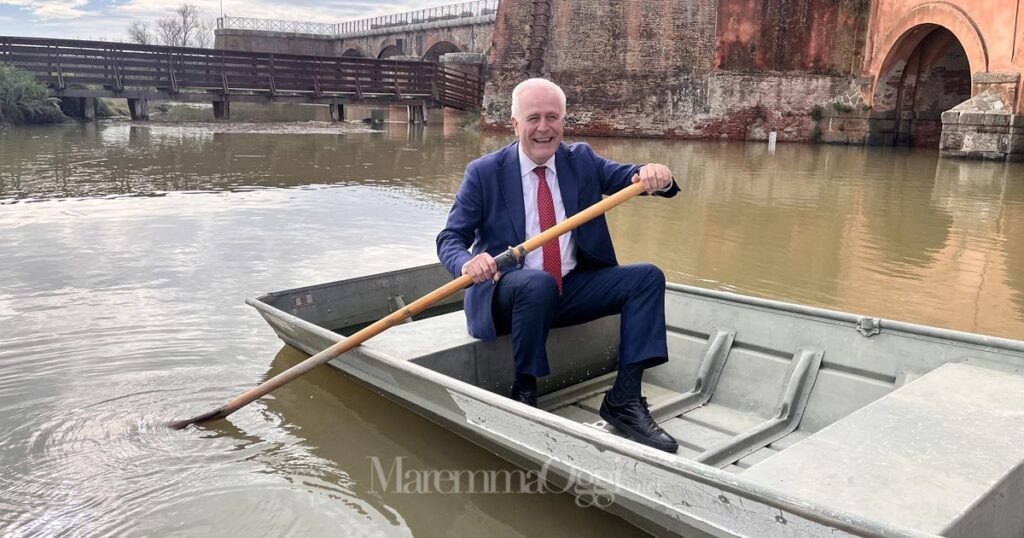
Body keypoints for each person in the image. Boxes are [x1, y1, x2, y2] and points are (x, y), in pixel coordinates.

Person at [436, 78, 680, 453]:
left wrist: (655, 174)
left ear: (564, 121)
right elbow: (449, 239)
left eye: (553, 117)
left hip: (567, 289)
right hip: (508, 296)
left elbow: (629, 177)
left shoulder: (580, 160)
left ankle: (625, 400)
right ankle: (524, 391)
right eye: (533, 118)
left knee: (646, 278)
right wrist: (469, 262)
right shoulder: (484, 172)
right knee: (536, 284)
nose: (544, 127)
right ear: (515, 124)